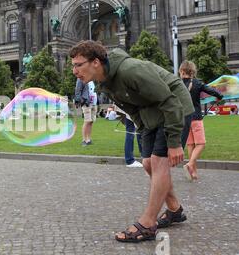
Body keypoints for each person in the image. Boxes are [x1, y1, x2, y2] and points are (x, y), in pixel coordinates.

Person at [70, 40, 194, 243]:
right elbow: (132, 109)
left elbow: (169, 100)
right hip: (151, 116)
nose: (74, 71)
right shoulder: (105, 83)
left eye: (78, 64)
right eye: (73, 65)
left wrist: (174, 142)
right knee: (147, 163)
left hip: (175, 109)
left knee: (158, 161)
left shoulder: (130, 70)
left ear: (95, 62)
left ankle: (148, 224)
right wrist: (144, 130)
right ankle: (175, 210)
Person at [179, 60, 223, 181]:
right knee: (201, 144)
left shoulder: (178, 84)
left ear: (181, 71)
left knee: (191, 145)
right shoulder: (197, 83)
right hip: (196, 118)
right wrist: (219, 96)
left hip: (184, 119)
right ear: (192, 71)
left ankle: (193, 173)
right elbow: (214, 92)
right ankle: (189, 165)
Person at [75, 79, 97, 145]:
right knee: (87, 121)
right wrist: (79, 101)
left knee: (91, 121)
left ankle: (88, 139)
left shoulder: (92, 79)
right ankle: (84, 140)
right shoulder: (81, 78)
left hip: (94, 103)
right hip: (86, 103)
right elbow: (77, 90)